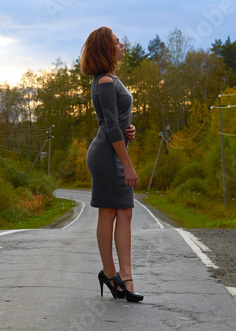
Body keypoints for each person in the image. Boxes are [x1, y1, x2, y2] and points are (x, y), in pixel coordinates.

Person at [80, 26, 143, 302]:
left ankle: (125, 277)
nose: (122, 45)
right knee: (109, 213)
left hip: (114, 150)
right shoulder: (104, 81)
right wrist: (128, 164)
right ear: (106, 48)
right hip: (107, 156)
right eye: (117, 42)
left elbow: (116, 121)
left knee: (125, 212)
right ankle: (112, 273)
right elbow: (108, 125)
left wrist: (130, 130)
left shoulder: (111, 79)